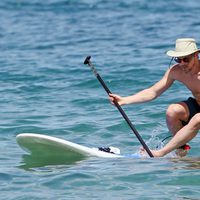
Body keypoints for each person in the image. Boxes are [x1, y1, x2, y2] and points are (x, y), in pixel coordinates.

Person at [109, 38, 200, 157]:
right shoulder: (176, 71)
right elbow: (153, 92)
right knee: (172, 111)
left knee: (198, 118)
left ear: (196, 56)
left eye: (186, 59)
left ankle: (161, 153)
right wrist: (124, 100)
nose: (182, 64)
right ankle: (181, 150)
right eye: (178, 59)